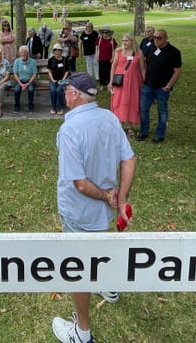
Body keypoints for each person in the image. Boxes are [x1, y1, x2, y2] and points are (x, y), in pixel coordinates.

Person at [51, 73, 136, 343]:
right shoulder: (109, 117)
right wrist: (120, 198)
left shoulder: (69, 130)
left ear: (75, 94)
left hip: (79, 211)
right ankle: (107, 285)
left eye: (67, 90)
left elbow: (79, 183)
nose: (64, 94)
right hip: (101, 212)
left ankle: (82, 333)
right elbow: (129, 159)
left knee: (77, 268)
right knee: (98, 247)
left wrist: (109, 197)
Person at [138, 29, 182, 143]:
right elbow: (145, 63)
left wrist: (168, 86)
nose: (156, 40)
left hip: (162, 88)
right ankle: (144, 131)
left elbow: (177, 71)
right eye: (154, 37)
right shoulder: (151, 48)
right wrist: (143, 79)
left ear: (166, 38)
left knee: (162, 111)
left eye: (159, 38)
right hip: (148, 85)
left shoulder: (174, 52)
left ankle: (160, 134)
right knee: (143, 109)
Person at [109, 33, 142, 137]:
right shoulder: (118, 52)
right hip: (120, 82)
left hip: (133, 83)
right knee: (118, 102)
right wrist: (111, 81)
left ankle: (130, 126)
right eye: (123, 40)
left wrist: (144, 81)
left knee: (131, 102)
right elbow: (113, 67)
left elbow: (142, 69)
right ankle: (119, 124)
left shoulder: (138, 53)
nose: (124, 42)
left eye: (126, 40)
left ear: (132, 41)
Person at [12, 45, 38, 113]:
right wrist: (21, 84)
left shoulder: (33, 61)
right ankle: (16, 106)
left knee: (31, 89)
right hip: (19, 80)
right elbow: (15, 74)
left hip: (30, 81)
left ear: (28, 53)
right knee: (17, 90)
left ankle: (30, 106)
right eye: (21, 53)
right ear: (20, 54)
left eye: (25, 52)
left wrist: (28, 83)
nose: (23, 54)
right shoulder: (17, 61)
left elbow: (34, 74)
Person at [46, 43, 69, 115]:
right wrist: (52, 80)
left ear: (61, 51)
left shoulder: (65, 60)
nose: (57, 51)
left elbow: (67, 71)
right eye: (56, 50)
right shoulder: (51, 60)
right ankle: (53, 107)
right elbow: (49, 71)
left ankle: (59, 108)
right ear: (53, 51)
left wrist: (63, 80)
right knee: (53, 91)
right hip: (53, 80)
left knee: (59, 90)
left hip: (62, 80)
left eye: (59, 50)